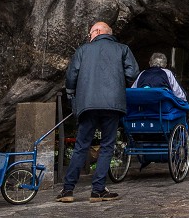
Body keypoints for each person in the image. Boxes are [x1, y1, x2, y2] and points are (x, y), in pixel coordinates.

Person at [57, 22, 138, 202]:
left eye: (90, 34)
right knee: (107, 145)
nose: (89, 37)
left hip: (88, 104)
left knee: (81, 145)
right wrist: (119, 83)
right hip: (112, 104)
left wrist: (72, 95)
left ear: (98, 32)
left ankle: (68, 190)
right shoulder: (122, 49)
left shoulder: (83, 50)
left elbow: (71, 76)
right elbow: (133, 74)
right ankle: (98, 190)